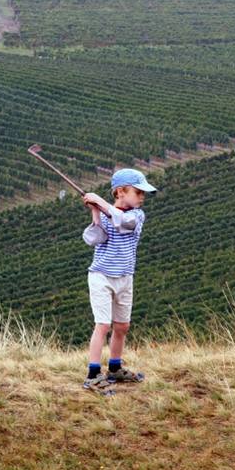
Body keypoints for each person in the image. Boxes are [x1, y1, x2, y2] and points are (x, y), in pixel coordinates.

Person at [80, 168, 157, 393]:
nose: (142, 197)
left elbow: (123, 221)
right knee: (103, 325)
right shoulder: (106, 213)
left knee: (122, 326)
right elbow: (94, 238)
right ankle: (93, 375)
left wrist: (100, 202)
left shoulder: (136, 215)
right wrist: (95, 213)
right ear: (120, 192)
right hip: (101, 276)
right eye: (138, 192)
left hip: (125, 277)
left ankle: (114, 368)